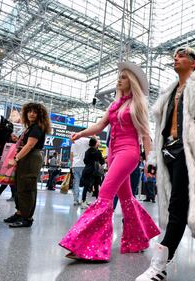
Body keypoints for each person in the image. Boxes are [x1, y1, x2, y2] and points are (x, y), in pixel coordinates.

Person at [136, 47, 195, 281]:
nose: (176, 58)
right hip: (169, 152)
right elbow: (160, 131)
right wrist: (154, 158)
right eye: (175, 56)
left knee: (177, 207)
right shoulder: (169, 93)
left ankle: (160, 265)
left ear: (194, 63)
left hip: (190, 154)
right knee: (182, 209)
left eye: (182, 56)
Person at [59, 62, 160, 261]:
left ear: (131, 81)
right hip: (113, 154)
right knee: (126, 199)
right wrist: (81, 133)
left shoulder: (137, 104)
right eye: (119, 76)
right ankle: (138, 239)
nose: (119, 80)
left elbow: (146, 135)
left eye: (123, 77)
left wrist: (150, 161)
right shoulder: (115, 105)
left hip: (128, 153)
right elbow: (99, 125)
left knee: (104, 194)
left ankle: (89, 246)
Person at [6, 102, 51, 227]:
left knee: (27, 187)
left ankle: (26, 218)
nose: (31, 113)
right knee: (20, 186)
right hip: (26, 157)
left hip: (31, 157)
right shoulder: (30, 127)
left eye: (35, 112)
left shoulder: (37, 127)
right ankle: (20, 213)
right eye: (29, 111)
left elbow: (30, 145)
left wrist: (16, 158)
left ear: (40, 115)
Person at [0, 133, 19, 201]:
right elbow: (3, 156)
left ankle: (0, 194)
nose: (15, 137)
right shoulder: (7, 145)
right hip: (7, 166)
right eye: (13, 136)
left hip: (13, 166)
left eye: (15, 136)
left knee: (9, 181)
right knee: (7, 180)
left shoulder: (18, 146)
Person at [81, 137, 104, 208]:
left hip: (87, 170)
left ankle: (83, 201)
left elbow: (85, 161)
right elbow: (102, 161)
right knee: (96, 186)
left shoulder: (87, 151)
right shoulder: (98, 152)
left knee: (86, 186)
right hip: (95, 171)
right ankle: (97, 202)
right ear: (95, 143)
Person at [70, 136, 89, 205]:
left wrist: (72, 165)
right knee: (85, 184)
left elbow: (71, 155)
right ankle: (83, 200)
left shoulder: (74, 142)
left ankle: (75, 200)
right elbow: (97, 144)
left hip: (75, 165)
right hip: (84, 165)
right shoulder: (87, 140)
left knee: (76, 183)